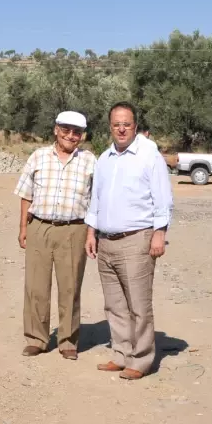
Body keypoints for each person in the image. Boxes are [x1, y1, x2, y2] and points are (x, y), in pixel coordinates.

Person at [84, 102, 173, 380]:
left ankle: (142, 359)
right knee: (114, 304)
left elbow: (163, 198)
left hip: (137, 240)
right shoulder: (104, 159)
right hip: (106, 241)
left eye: (127, 124)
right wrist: (91, 232)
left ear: (135, 126)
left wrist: (160, 233)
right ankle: (121, 354)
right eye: (116, 124)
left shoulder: (149, 156)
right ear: (110, 127)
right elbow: (96, 199)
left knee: (138, 304)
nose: (121, 129)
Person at [14, 110, 97, 360]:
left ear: (82, 136)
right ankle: (36, 339)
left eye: (76, 132)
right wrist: (23, 228)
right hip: (40, 226)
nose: (70, 136)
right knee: (36, 286)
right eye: (66, 130)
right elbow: (26, 194)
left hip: (74, 229)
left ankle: (68, 341)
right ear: (56, 130)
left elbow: (97, 201)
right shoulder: (38, 157)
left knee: (70, 287)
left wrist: (92, 233)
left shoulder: (90, 161)